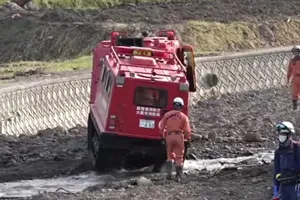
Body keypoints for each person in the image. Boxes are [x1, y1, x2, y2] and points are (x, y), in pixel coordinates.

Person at [158, 97, 191, 182]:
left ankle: (168, 175)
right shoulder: (184, 117)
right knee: (179, 156)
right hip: (178, 136)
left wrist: (162, 135)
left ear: (173, 105)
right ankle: (178, 176)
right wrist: (187, 138)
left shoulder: (167, 115)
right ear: (181, 106)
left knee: (169, 156)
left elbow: (161, 126)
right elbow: (187, 131)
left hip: (168, 136)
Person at [272, 121, 300, 200]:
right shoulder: (278, 152)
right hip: (283, 187)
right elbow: (276, 171)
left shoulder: (297, 148)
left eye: (283, 134)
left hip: (296, 186)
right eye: (280, 134)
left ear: (289, 135)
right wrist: (276, 192)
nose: (281, 137)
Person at [287, 45, 300, 110]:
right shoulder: (292, 61)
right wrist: (288, 79)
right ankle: (295, 107)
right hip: (295, 78)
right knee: (295, 93)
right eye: (294, 51)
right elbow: (289, 71)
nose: (296, 53)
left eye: (297, 51)